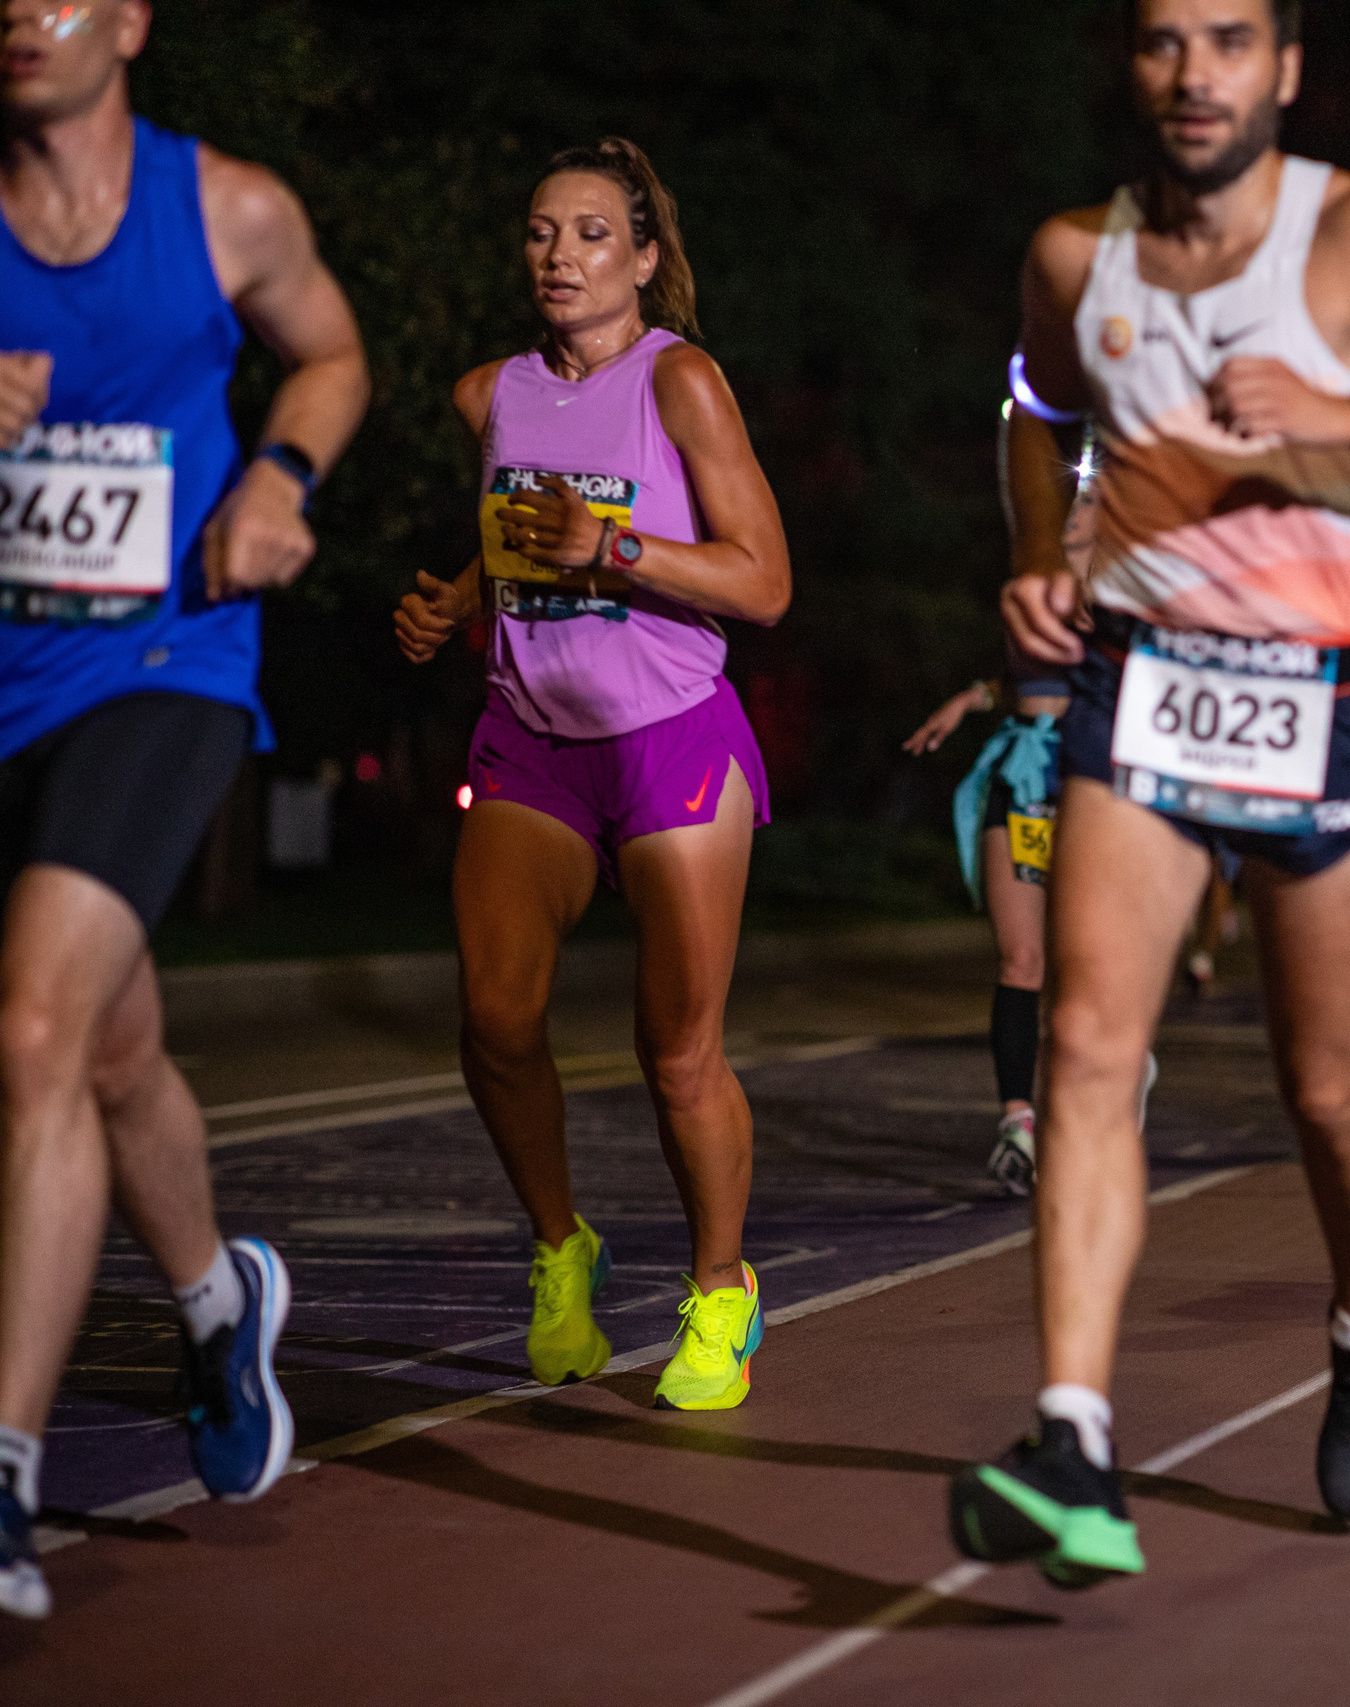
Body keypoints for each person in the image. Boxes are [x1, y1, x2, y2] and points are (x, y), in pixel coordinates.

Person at [951, 0, 1350, 1583]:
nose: (1194, 72)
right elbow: (1033, 412)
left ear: (1283, 68)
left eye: (1230, 40)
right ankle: (1076, 1437)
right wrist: (1042, 556)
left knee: (1323, 1089)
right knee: (1091, 1045)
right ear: (1133, 65)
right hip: (1142, 686)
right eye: (1165, 41)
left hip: (1322, 703)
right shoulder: (1070, 258)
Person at [0, 0, 368, 1620]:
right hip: (9, 683)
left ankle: (1, 1474)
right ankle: (220, 1303)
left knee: (25, 1037)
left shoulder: (226, 208)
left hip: (162, 660)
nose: (24, 16)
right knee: (109, 1049)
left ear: (129, 21)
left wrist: (280, 476)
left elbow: (335, 352)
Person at [393, 140, 790, 1414]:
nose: (560, 256)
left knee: (677, 1055)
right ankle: (561, 1247)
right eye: (540, 234)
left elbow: (764, 581)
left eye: (590, 235)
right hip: (531, 741)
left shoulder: (682, 385)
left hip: (670, 732)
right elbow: (515, 525)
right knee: (496, 1019)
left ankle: (722, 1290)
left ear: (643, 257)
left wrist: (616, 548)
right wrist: (456, 598)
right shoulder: (489, 395)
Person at [906, 657, 1068, 1194]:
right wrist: (970, 699)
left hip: (1088, 768)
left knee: (1080, 962)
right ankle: (1019, 1122)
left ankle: (1097, 1098)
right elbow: (1023, 678)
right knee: (1021, 957)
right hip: (1021, 770)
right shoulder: (1029, 576)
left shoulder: (1126, 577)